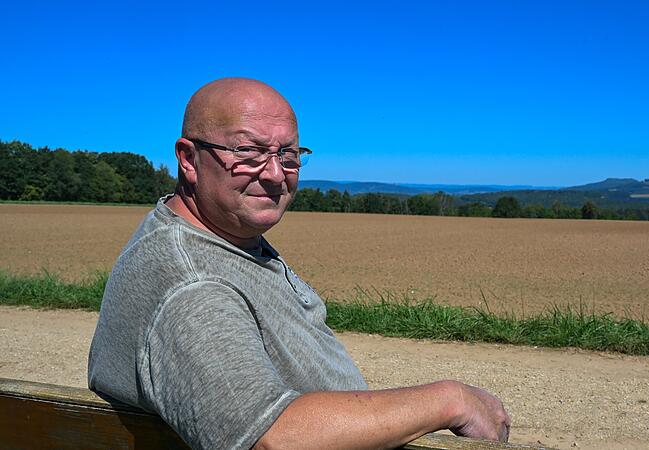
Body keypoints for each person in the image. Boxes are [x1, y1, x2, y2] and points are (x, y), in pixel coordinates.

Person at [88, 77, 510, 450]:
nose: (275, 174)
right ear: (187, 159)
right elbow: (272, 437)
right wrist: (449, 399)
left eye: (289, 155)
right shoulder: (192, 285)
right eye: (249, 151)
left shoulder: (225, 239)